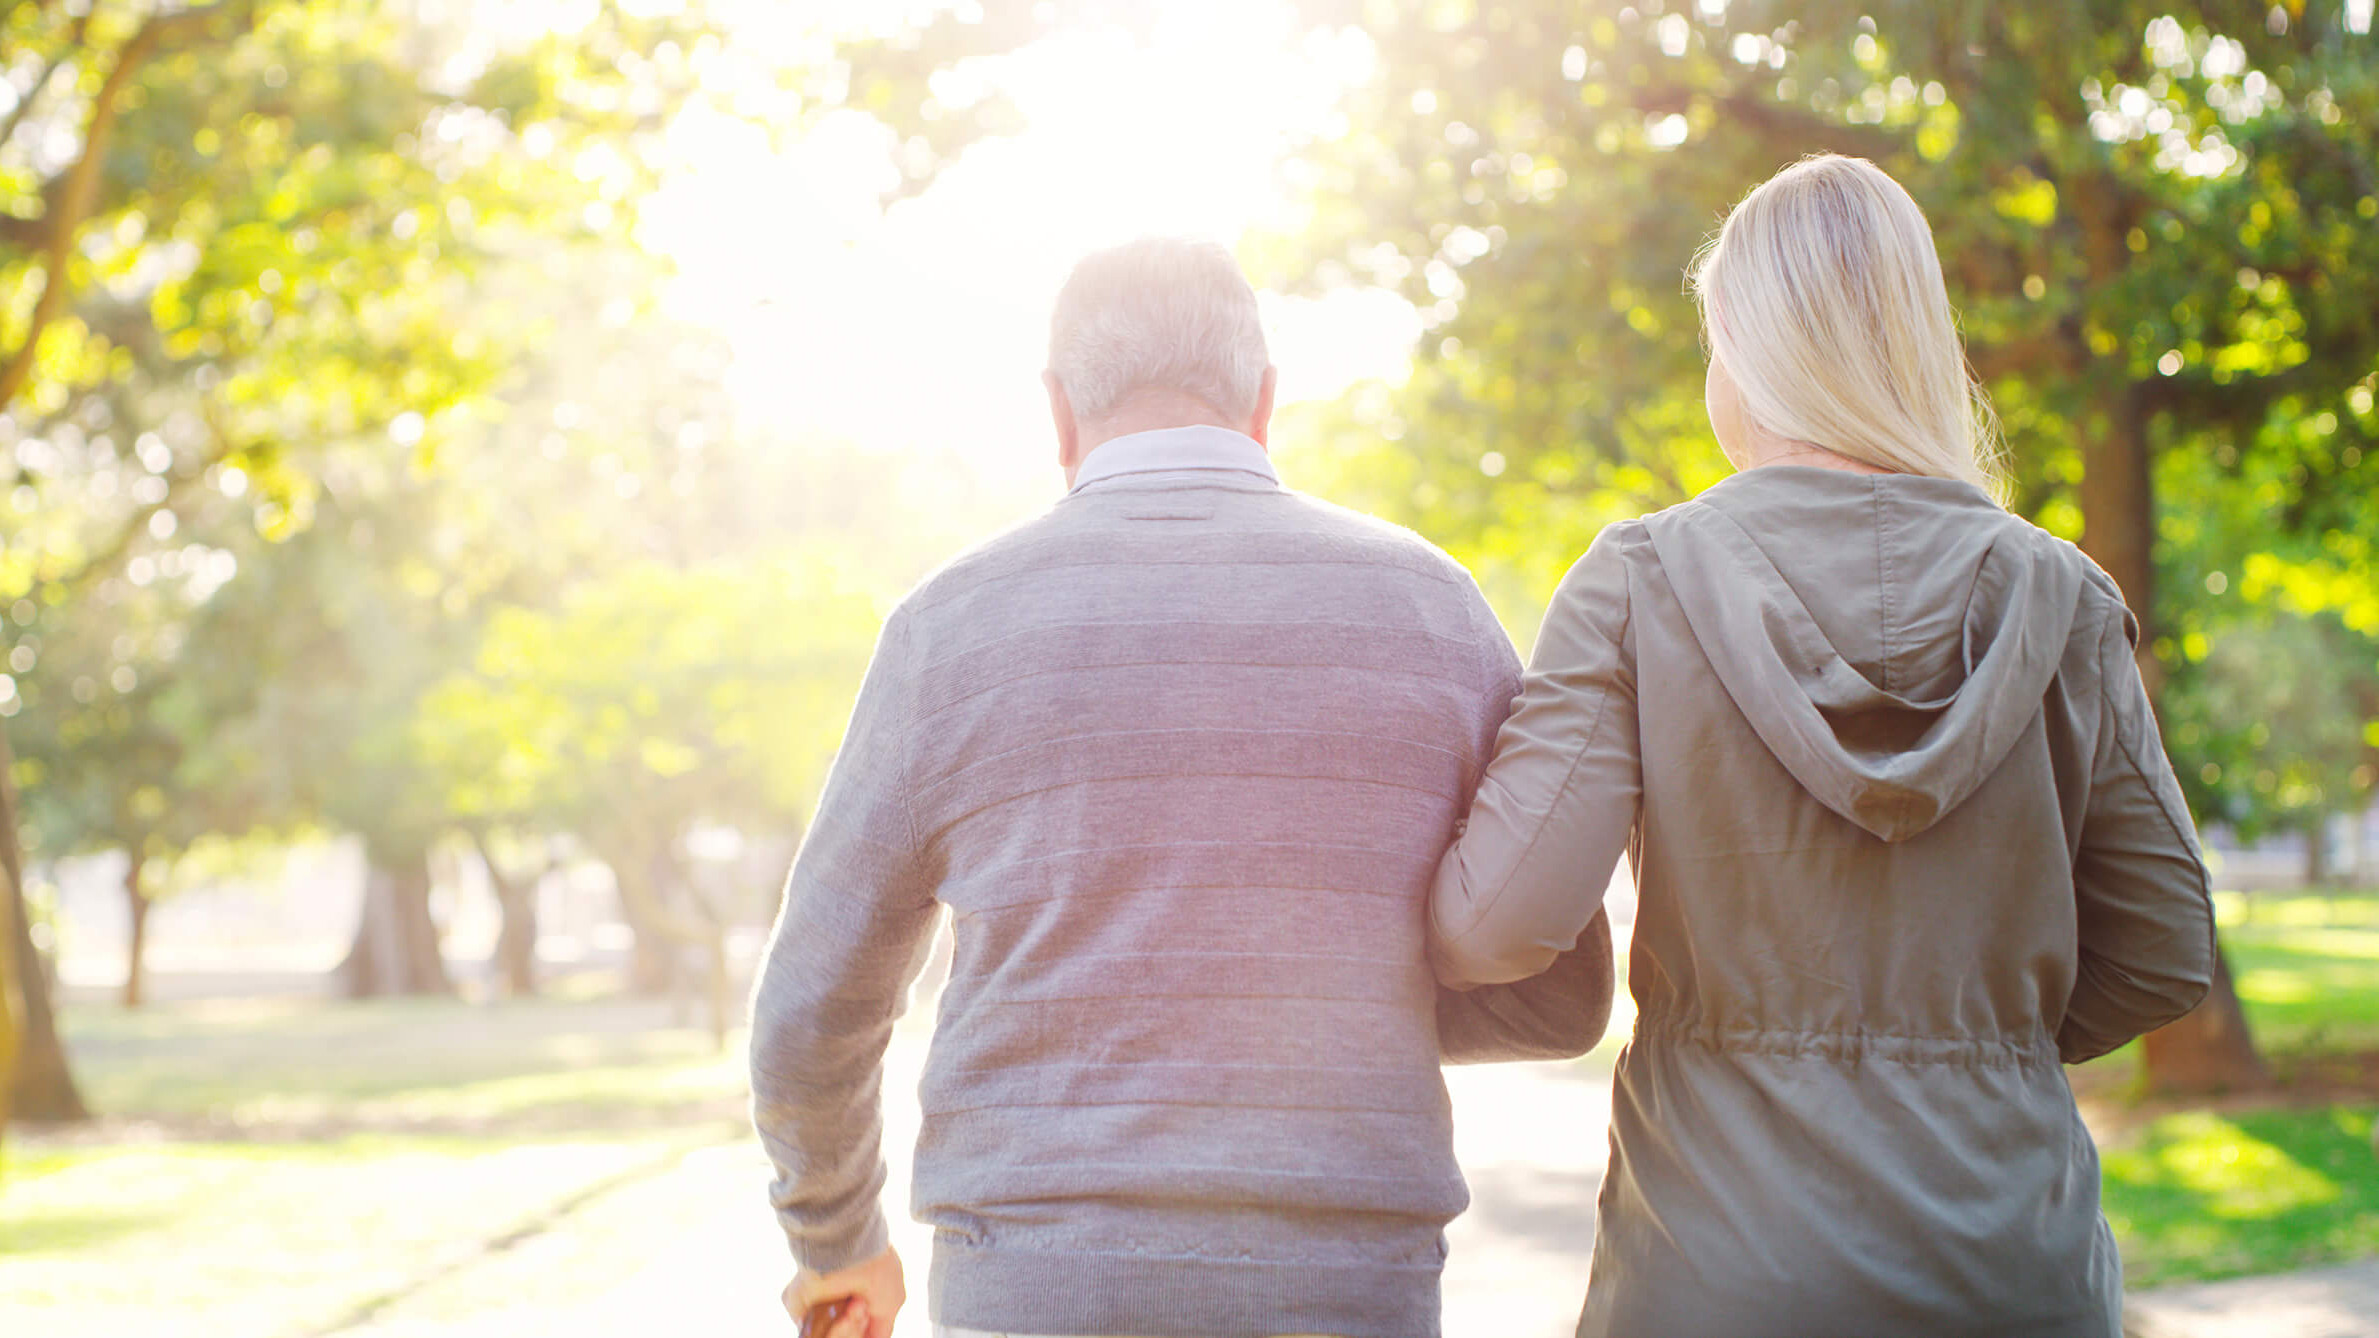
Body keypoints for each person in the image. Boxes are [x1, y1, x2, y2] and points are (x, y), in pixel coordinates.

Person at [751, 237, 1615, 1338]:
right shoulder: (1432, 609)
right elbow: (1562, 994)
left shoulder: (947, 631)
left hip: (1033, 1284)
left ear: (1058, 414)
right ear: (1263, 403)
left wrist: (840, 1245)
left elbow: (808, 1012)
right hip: (1347, 1281)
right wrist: (1334, 998)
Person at [1428, 155, 2215, 1338]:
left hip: (1716, 1269)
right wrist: (1974, 1039)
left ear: (1740, 341)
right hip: (2012, 1267)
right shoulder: (2066, 597)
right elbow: (2162, 949)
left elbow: (1497, 929)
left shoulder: (1642, 580)